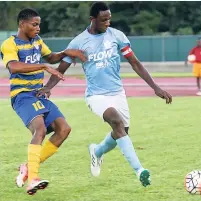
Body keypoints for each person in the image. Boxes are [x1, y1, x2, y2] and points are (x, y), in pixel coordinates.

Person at [37, 2, 172, 187]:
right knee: (116, 122)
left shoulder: (117, 36)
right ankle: (140, 170)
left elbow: (135, 62)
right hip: (96, 95)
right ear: (92, 20)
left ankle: (97, 151)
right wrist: (48, 87)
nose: (108, 22)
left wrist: (155, 87)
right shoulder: (78, 42)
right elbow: (62, 67)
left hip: (118, 93)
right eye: (103, 19)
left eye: (109, 18)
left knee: (122, 132)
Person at [0, 8, 86, 195]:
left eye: (39, 24)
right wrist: (44, 66)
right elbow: (13, 66)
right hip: (22, 96)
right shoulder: (9, 44)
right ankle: (33, 180)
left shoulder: (37, 41)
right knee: (40, 129)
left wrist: (65, 52)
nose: (38, 28)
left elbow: (51, 57)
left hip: (38, 94)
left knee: (64, 129)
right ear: (22, 24)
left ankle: (28, 167)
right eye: (34, 24)